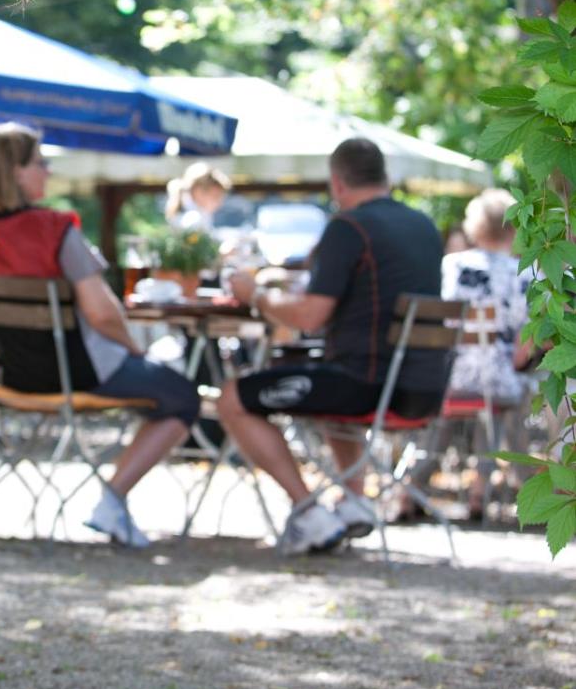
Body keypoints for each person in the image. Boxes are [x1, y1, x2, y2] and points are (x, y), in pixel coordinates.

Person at [0, 122, 200, 548]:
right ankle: (112, 498)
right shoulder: (55, 229)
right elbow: (103, 314)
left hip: (9, 378)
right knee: (183, 395)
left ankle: (112, 502)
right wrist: (133, 350)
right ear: (15, 172)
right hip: (82, 374)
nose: (48, 171)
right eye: (40, 162)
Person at [216, 137, 444, 554]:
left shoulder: (349, 226)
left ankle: (308, 513)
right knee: (327, 378)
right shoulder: (423, 226)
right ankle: (354, 502)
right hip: (424, 388)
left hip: (367, 385)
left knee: (232, 397)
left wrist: (255, 295)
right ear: (384, 177)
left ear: (337, 182)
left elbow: (309, 316)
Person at [403, 187, 533, 520]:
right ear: (513, 226)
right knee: (505, 400)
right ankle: (481, 490)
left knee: (448, 411)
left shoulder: (449, 267)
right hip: (500, 381)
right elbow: (525, 345)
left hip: (446, 378)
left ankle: (410, 488)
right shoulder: (526, 275)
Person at [164, 163, 231, 233]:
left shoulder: (202, 213)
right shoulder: (194, 219)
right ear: (198, 192)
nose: (220, 203)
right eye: (216, 197)